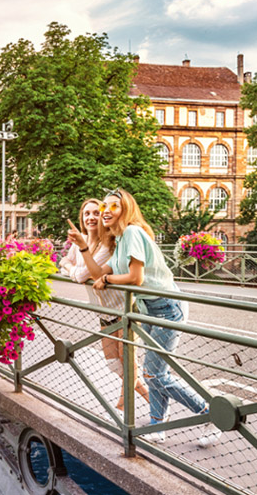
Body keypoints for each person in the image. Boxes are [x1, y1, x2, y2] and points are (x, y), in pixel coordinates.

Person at [92, 188, 220, 447]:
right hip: (150, 309)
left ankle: (209, 414)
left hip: (167, 307)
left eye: (113, 206)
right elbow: (95, 271)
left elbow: (134, 278)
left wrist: (106, 280)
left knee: (155, 373)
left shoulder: (132, 232)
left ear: (125, 209)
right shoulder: (119, 242)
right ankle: (157, 426)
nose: (106, 211)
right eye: (103, 207)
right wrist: (85, 248)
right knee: (155, 371)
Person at [62, 198, 149, 411]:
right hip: (105, 311)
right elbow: (64, 262)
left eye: (95, 213)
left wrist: (73, 270)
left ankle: (123, 408)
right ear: (81, 219)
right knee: (114, 365)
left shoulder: (107, 244)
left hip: (125, 309)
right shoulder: (81, 241)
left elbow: (83, 274)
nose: (91, 217)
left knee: (128, 363)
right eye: (86, 214)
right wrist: (71, 268)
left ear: (102, 216)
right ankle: (151, 398)